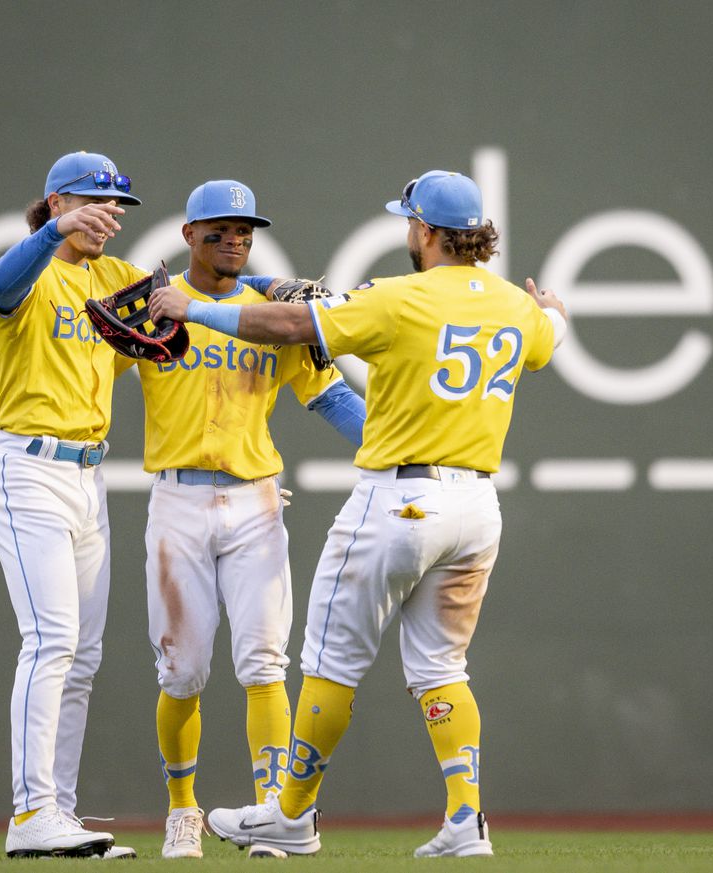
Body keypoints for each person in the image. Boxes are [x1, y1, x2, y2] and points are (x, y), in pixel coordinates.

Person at [148, 170, 569, 858]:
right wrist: (553, 308)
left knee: (329, 661)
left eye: (411, 221)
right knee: (441, 665)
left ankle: (289, 812)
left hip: (400, 499)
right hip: (476, 507)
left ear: (428, 231)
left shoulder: (399, 297)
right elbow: (549, 336)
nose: (408, 231)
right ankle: (467, 817)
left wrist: (191, 310)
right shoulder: (512, 307)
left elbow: (289, 322)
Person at [0, 179, 366, 859]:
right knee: (180, 671)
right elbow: (80, 349)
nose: (234, 240)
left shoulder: (272, 314)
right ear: (189, 236)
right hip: (178, 499)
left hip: (256, 498)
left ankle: (271, 812)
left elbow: (328, 396)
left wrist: (393, 448)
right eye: (219, 230)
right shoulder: (155, 306)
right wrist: (4, 370)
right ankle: (182, 808)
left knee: (264, 661)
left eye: (245, 231)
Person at [0, 150, 142, 859]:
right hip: (28, 469)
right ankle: (29, 811)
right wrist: (53, 230)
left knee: (84, 653)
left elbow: (187, 294)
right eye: (90, 202)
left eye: (114, 206)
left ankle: (60, 810)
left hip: (88, 477)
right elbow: (0, 283)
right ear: (53, 202)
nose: (106, 216)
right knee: (50, 640)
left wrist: (269, 289)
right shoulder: (29, 268)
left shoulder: (113, 279)